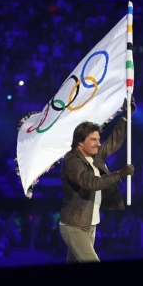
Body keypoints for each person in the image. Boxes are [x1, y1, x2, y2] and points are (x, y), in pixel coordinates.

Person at [58, 97, 136, 263]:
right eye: (93, 140)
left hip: (89, 225)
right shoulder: (72, 161)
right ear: (80, 142)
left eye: (98, 139)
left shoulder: (94, 156)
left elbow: (114, 141)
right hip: (74, 226)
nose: (98, 144)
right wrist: (119, 174)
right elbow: (90, 183)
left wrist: (125, 117)